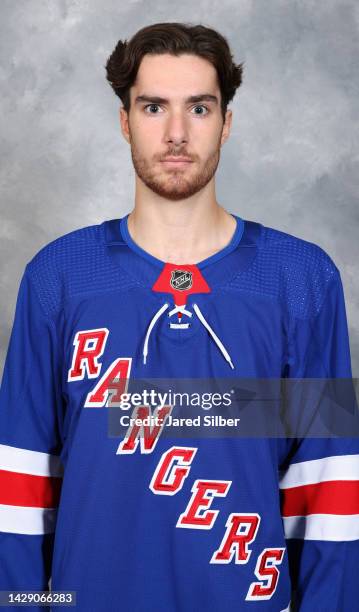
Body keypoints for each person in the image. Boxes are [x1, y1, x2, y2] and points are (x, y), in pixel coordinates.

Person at [0, 21, 358, 612]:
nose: (175, 133)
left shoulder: (304, 281)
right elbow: (19, 490)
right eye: (152, 107)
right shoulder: (58, 277)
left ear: (227, 122)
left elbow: (328, 492)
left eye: (198, 107)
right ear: (124, 122)